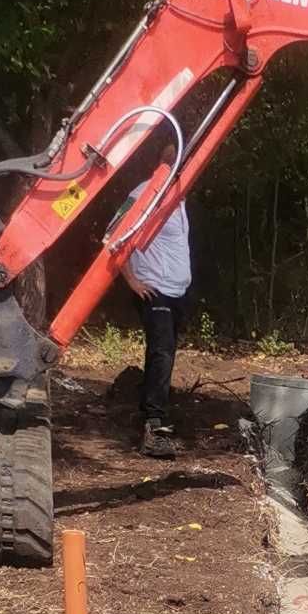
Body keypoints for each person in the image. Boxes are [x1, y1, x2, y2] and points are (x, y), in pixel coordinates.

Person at [122, 172, 192, 458]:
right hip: (154, 289)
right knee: (162, 352)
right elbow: (116, 236)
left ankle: (152, 410)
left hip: (176, 291)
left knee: (166, 353)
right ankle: (153, 423)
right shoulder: (143, 194)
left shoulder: (178, 199)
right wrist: (132, 280)